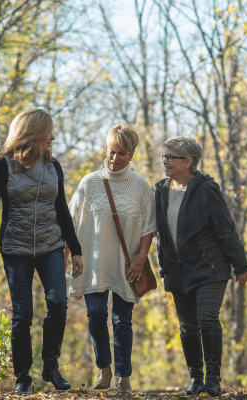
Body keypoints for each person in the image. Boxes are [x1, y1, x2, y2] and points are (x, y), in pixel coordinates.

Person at [0, 109, 84, 394]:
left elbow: (61, 209)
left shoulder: (54, 166)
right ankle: (23, 376)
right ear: (32, 134)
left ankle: (50, 366)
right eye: (47, 132)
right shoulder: (3, 166)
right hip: (16, 248)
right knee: (23, 314)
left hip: (50, 246)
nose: (52, 137)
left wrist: (75, 249)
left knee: (58, 302)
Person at [154, 137, 247, 397]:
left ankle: (214, 379)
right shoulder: (161, 190)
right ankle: (196, 378)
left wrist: (240, 265)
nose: (165, 161)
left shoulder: (206, 189)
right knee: (187, 325)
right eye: (165, 156)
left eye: (171, 157)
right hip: (177, 271)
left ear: (188, 162)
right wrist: (161, 266)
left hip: (210, 269)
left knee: (207, 317)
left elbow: (226, 228)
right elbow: (160, 235)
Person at [66, 125, 156, 394]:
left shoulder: (141, 187)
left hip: (127, 266)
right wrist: (66, 257)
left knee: (121, 320)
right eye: (111, 152)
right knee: (95, 315)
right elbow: (70, 222)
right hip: (93, 263)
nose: (115, 159)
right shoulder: (89, 182)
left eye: (122, 153)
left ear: (132, 154)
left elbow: (149, 227)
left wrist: (142, 258)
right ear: (105, 150)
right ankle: (104, 368)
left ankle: (123, 376)